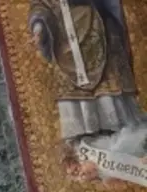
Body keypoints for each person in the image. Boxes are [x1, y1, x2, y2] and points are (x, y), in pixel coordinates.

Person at [28, 0, 147, 182]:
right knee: (78, 102)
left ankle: (123, 141)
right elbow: (40, 5)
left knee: (110, 91)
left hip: (95, 27)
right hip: (64, 39)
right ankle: (94, 151)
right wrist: (38, 28)